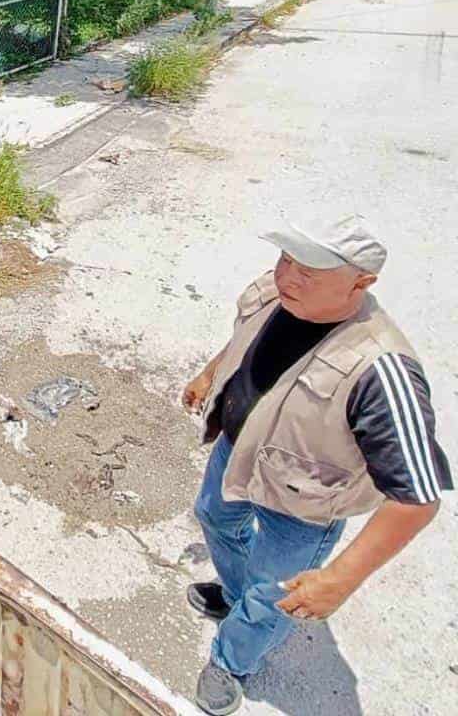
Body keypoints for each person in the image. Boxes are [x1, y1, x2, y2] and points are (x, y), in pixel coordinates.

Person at [181, 214, 450, 715]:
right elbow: (245, 338)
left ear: (362, 282)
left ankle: (232, 659)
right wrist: (209, 373)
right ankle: (237, 597)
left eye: (310, 272)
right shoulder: (277, 293)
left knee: (272, 594)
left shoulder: (382, 369)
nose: (287, 277)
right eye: (286, 260)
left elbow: (417, 498)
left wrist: (342, 577)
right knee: (216, 519)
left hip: (305, 504)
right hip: (237, 454)